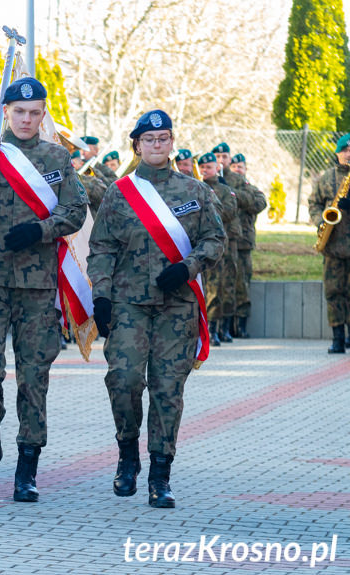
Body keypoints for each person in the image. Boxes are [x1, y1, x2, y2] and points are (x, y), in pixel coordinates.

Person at [0, 77, 88, 502]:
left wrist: (41, 229)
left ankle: (27, 466)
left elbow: (76, 209)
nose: (27, 119)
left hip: (36, 284)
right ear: (7, 113)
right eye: (19, 112)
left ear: (42, 114)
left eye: (35, 113)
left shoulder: (57, 157)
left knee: (34, 378)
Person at [88, 109, 225, 508]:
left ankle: (160, 475)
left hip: (176, 308)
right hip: (129, 304)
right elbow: (101, 248)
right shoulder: (120, 193)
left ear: (172, 142)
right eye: (149, 140)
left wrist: (188, 267)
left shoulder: (195, 192)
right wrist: (101, 296)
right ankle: (128, 454)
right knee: (125, 381)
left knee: (168, 391)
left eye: (164, 138)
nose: (157, 145)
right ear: (137, 145)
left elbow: (215, 240)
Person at [309, 134, 350, 353]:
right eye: (345, 150)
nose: (348, 154)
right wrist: (320, 221)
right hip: (333, 245)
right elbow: (314, 203)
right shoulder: (326, 178)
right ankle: (337, 339)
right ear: (337, 153)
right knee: (334, 292)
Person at [199, 153, 240, 345]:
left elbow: (229, 212)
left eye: (208, 167)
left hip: (221, 245)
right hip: (200, 245)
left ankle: (217, 329)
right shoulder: (196, 187)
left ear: (217, 168)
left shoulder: (224, 190)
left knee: (221, 287)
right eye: (202, 167)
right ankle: (207, 327)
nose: (204, 171)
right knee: (206, 287)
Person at [228, 153, 267, 338]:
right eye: (234, 166)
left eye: (240, 167)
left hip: (243, 243)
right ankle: (225, 326)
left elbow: (260, 202)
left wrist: (237, 196)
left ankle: (241, 326)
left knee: (242, 285)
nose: (237, 169)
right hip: (226, 242)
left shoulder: (249, 188)